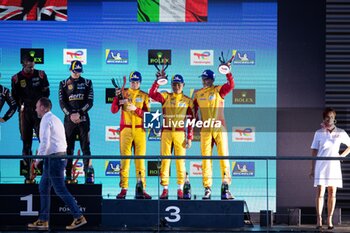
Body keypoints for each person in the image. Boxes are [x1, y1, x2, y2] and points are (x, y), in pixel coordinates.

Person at [27, 97, 87, 230]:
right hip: (55, 158)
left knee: (60, 189)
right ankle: (43, 220)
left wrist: (37, 160)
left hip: (54, 159)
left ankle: (78, 217)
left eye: (37, 106)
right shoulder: (55, 119)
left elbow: (45, 142)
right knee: (43, 186)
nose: (36, 109)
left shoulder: (46, 120)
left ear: (43, 107)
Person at [149, 74, 193, 199]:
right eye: (174, 84)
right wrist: (157, 81)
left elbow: (191, 119)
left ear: (183, 85)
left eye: (179, 84)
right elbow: (152, 94)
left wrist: (189, 137)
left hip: (180, 133)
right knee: (165, 161)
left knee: (180, 162)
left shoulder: (188, 100)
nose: (176, 86)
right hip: (166, 132)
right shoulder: (165, 96)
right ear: (171, 85)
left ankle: (180, 188)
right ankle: (165, 189)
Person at [193, 69, 235, 200]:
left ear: (211, 79)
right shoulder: (198, 94)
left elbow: (231, 85)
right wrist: (196, 122)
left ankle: (225, 187)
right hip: (205, 129)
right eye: (203, 78)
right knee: (206, 159)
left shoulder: (219, 90)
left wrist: (228, 72)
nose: (204, 81)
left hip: (219, 127)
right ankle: (207, 188)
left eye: (206, 78)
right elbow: (193, 110)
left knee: (223, 157)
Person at [111, 71, 152, 199]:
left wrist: (136, 109)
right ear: (129, 82)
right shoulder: (123, 93)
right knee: (125, 161)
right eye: (132, 82)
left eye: (136, 82)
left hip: (140, 130)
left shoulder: (144, 96)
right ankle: (124, 188)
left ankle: (142, 187)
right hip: (126, 130)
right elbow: (113, 110)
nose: (134, 84)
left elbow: (149, 116)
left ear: (140, 82)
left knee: (140, 161)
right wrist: (117, 98)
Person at [11, 54, 50, 184]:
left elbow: (47, 93)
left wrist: (41, 107)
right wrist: (22, 105)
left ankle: (46, 175)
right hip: (25, 113)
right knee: (26, 144)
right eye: (28, 66)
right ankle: (28, 176)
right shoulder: (16, 78)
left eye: (33, 66)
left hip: (39, 112)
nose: (31, 68)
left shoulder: (41, 75)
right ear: (23, 64)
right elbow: (14, 97)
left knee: (43, 141)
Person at [310, 107, 350, 230]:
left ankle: (330, 219)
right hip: (321, 165)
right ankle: (319, 219)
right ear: (324, 118)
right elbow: (314, 151)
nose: (330, 119)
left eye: (332, 117)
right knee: (320, 192)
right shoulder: (319, 133)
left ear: (334, 118)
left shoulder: (341, 132)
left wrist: (341, 155)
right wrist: (312, 168)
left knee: (332, 192)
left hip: (334, 166)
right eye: (327, 117)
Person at [59, 60, 94, 184]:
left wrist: (79, 113)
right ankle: (68, 175)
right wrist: (70, 114)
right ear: (70, 70)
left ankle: (88, 175)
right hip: (69, 120)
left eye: (79, 72)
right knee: (68, 148)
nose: (77, 74)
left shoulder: (87, 82)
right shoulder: (63, 84)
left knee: (85, 147)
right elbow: (62, 103)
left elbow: (90, 102)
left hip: (83, 118)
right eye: (75, 72)